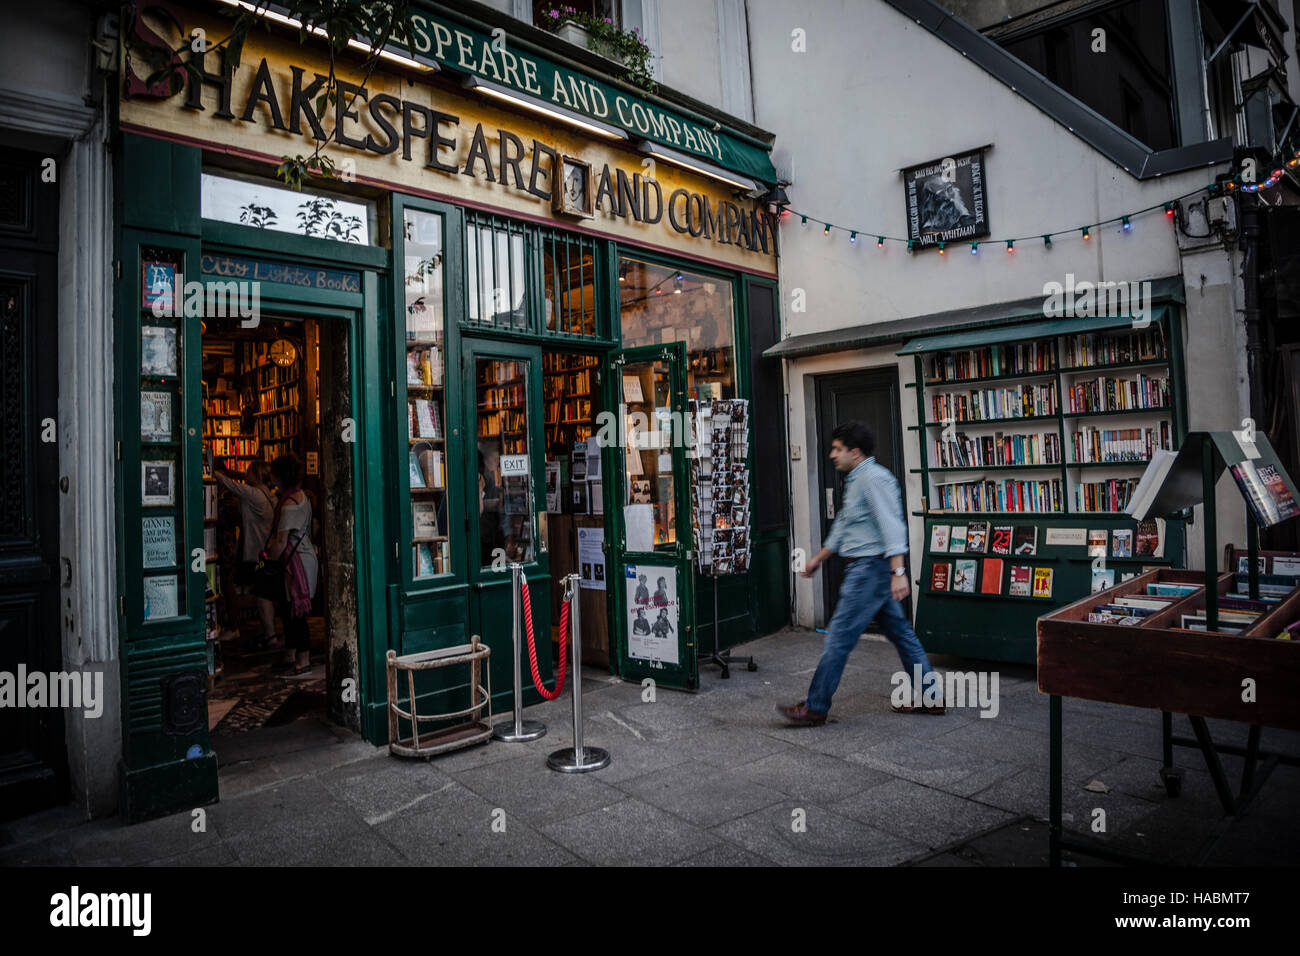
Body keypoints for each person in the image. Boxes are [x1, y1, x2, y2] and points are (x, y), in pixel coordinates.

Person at [778, 421, 942, 725]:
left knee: (838, 638)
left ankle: (815, 707)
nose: (832, 455)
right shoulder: (856, 479)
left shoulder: (873, 479)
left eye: (837, 449)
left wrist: (899, 571)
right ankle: (932, 698)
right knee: (902, 634)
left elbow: (891, 525)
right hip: (869, 569)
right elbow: (843, 525)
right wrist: (819, 559)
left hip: (868, 570)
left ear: (854, 452)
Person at [214, 460, 277, 648]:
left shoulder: (253, 493)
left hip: (256, 551)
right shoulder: (270, 496)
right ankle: (266, 630)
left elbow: (228, 484)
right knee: (264, 592)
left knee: (261, 593)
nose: (245, 472)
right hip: (267, 550)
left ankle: (270, 635)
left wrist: (210, 469)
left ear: (256, 474)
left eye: (248, 470)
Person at [266, 454, 318, 676]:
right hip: (304, 558)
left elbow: (281, 542)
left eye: (273, 473)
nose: (271, 477)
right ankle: (291, 654)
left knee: (295, 612)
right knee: (289, 611)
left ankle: (302, 660)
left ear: (280, 476)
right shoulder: (302, 497)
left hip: (296, 564)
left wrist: (267, 557)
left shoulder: (288, 506)